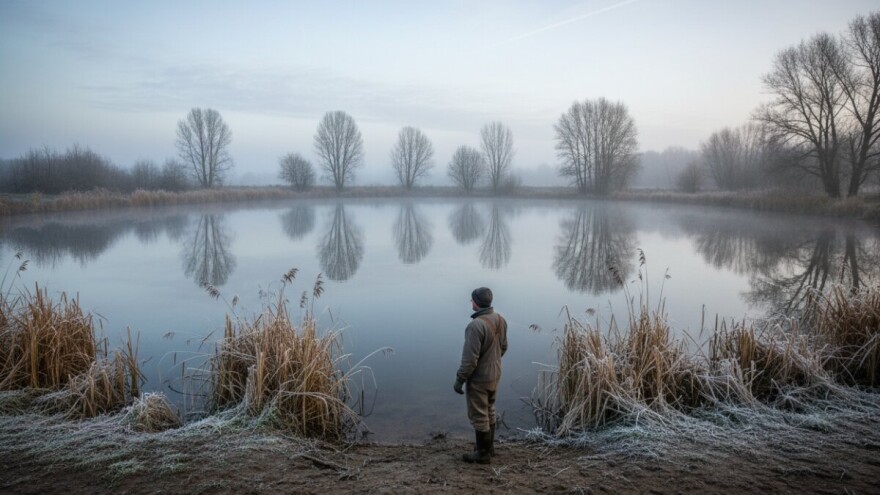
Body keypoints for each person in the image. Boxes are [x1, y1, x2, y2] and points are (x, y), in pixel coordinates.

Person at [453, 286, 508, 464]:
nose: (471, 302)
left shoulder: (475, 326)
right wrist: (492, 362)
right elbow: (504, 347)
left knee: (479, 413)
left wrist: (459, 380)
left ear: (476, 302)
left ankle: (482, 454)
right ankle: (489, 448)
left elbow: (469, 361)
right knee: (490, 408)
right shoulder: (500, 319)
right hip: (496, 372)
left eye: (472, 300)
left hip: (480, 377)